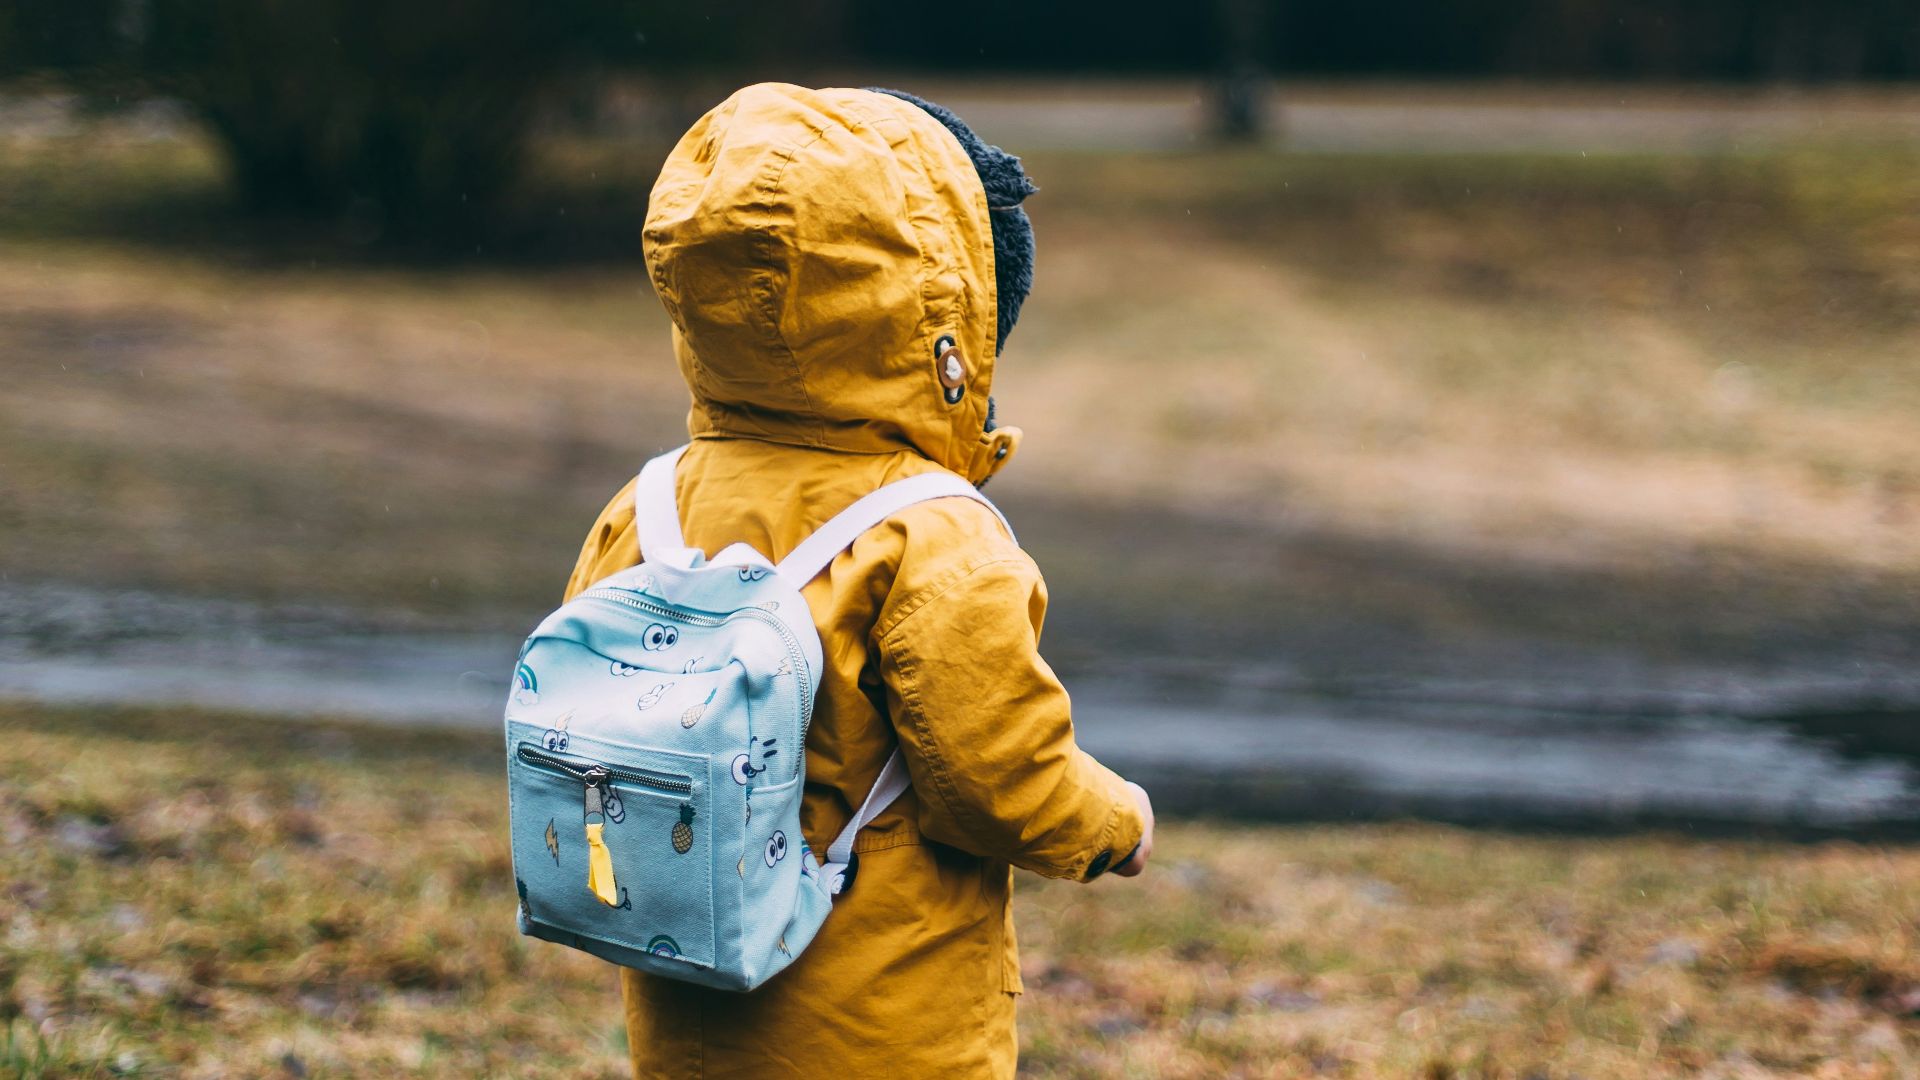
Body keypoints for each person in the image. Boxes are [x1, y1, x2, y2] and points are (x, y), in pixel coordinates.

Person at [562, 82, 1154, 1080]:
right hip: (886, 1025)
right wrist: (1116, 822)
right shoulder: (930, 537)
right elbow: (998, 780)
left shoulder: (651, 504)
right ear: (943, 305)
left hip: (689, 1000)